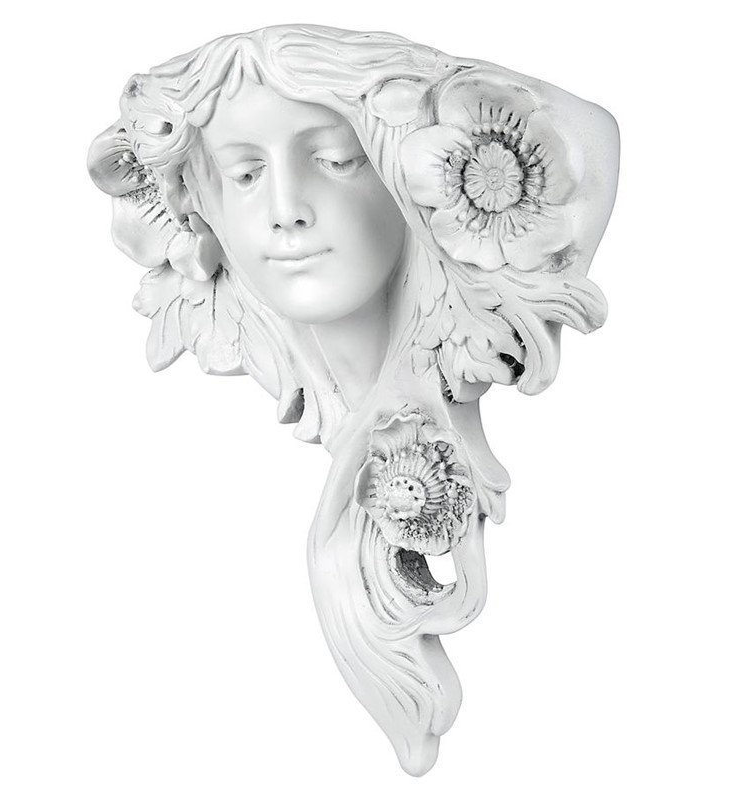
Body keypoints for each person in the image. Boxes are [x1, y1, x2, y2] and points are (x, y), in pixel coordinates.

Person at [88, 24, 618, 775]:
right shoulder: (287, 355)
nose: (286, 210)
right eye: (244, 174)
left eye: (336, 161)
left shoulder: (465, 307)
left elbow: (589, 134)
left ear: (415, 179)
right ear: (200, 209)